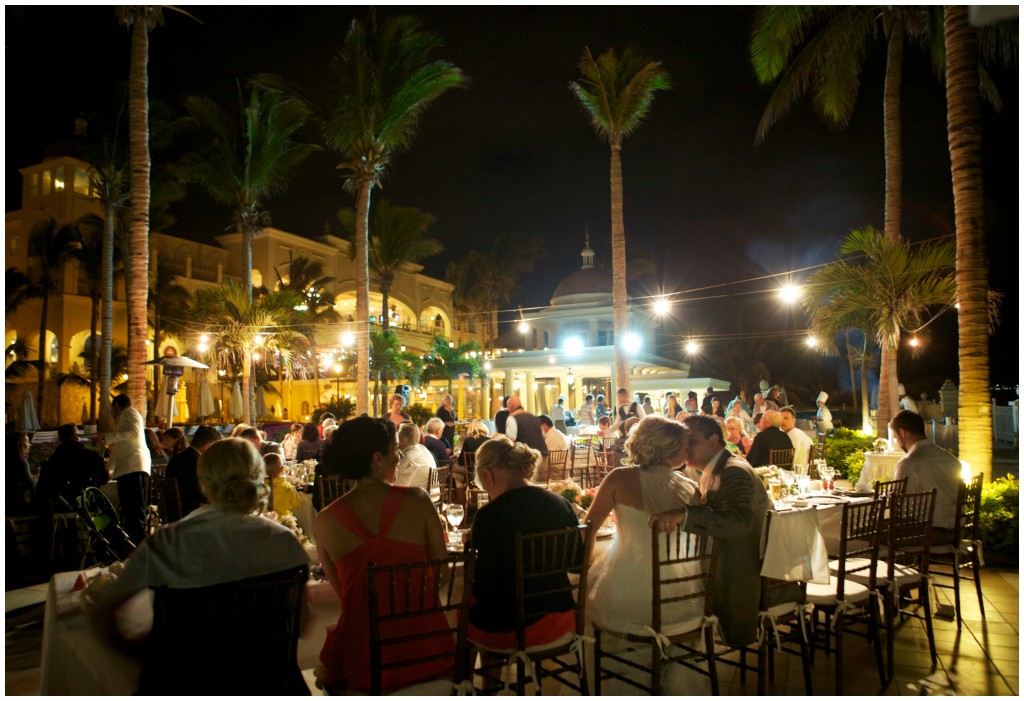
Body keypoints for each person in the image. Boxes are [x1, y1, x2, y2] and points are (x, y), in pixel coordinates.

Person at [85, 438, 310, 692]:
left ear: (203, 482)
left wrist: (147, 656)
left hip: (183, 682)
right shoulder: (284, 541)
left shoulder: (167, 542)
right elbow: (300, 625)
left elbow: (103, 613)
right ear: (258, 478)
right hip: (269, 683)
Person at [315, 416, 450, 693]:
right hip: (425, 649)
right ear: (377, 458)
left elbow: (346, 597)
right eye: (394, 449)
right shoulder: (418, 501)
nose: (399, 455)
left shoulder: (325, 521)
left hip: (360, 655)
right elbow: (443, 574)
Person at [650, 415, 773, 648]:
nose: (685, 448)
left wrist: (684, 515)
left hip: (738, 573)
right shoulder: (715, 467)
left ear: (713, 440)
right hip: (723, 568)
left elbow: (740, 522)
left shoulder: (732, 470)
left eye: (692, 441)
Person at [585, 416, 702, 637]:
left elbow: (588, 527)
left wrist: (587, 564)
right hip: (683, 594)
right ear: (669, 449)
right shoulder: (690, 487)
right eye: (684, 447)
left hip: (626, 595)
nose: (688, 452)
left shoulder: (618, 479)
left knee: (584, 594)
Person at [466, 436, 581, 653]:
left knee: (467, 605)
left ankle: (481, 684)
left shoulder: (489, 515)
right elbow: (576, 564)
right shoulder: (562, 505)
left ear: (488, 475)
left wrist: (471, 547)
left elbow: (482, 583)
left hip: (511, 628)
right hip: (560, 621)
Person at [890, 410, 962, 534]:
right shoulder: (952, 460)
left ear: (902, 432)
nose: (897, 441)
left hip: (926, 533)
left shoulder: (909, 463)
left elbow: (897, 506)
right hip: (957, 530)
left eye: (896, 437)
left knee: (868, 532)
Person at [104, 394, 151, 545]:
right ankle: (134, 547)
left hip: (133, 468)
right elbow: (119, 449)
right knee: (130, 513)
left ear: (116, 405)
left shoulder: (130, 412)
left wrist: (108, 437)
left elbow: (134, 432)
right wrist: (109, 469)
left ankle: (141, 548)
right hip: (128, 469)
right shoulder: (124, 418)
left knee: (135, 512)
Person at [36, 423, 110, 511]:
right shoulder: (92, 456)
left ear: (60, 439)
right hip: (87, 505)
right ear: (73, 437)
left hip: (60, 506)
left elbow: (42, 489)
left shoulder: (51, 461)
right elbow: (104, 479)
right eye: (78, 435)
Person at [166, 425, 222, 519]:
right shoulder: (197, 463)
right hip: (192, 513)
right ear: (207, 446)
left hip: (174, 513)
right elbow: (202, 494)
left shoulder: (176, 459)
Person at [504, 394, 549, 482]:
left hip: (526, 460)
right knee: (542, 487)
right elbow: (543, 436)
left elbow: (510, 440)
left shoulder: (512, 418)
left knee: (526, 487)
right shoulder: (534, 418)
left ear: (511, 406)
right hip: (543, 456)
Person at [394, 422, 435, 491]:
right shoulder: (423, 449)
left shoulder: (408, 457)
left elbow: (396, 485)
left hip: (420, 497)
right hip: (433, 493)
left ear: (401, 440)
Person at [6, 432, 36, 515]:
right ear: (19, 444)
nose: (29, 445)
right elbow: (30, 484)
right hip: (19, 503)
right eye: (26, 442)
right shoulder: (21, 461)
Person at [264, 453, 300, 518]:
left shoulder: (260, 487)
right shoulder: (288, 487)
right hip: (284, 522)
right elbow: (296, 504)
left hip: (265, 522)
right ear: (282, 469)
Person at [456, 419, 490, 487]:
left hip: (471, 474)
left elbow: (461, 462)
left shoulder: (468, 441)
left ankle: (463, 493)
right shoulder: (490, 441)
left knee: (454, 473)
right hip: (488, 473)